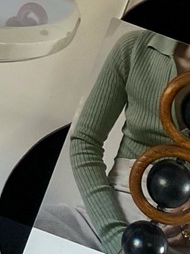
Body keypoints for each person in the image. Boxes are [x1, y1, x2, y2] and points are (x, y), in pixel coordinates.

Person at [36, 30, 190, 253]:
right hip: (117, 202)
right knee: (38, 226)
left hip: (181, 230)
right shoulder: (135, 47)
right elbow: (85, 140)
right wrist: (113, 234)